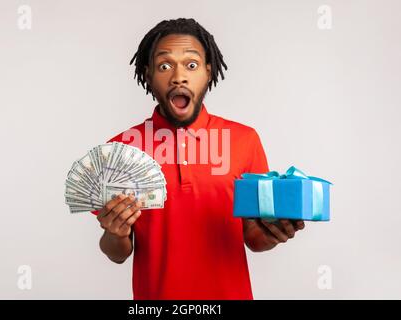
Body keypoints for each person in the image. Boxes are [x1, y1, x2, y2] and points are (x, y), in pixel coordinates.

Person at [91, 18, 305, 300]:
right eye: (164, 66)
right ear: (148, 74)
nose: (178, 76)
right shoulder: (121, 149)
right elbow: (117, 254)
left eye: (191, 65)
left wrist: (275, 233)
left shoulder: (244, 140)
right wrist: (114, 233)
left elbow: (253, 238)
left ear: (208, 71)